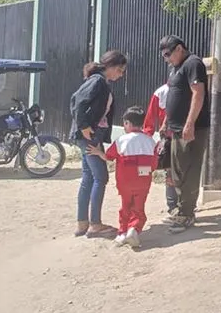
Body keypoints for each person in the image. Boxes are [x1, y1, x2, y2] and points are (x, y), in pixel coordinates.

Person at [69, 50, 127, 238]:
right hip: (90, 135)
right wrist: (84, 126)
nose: (120, 75)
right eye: (119, 70)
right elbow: (77, 102)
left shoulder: (100, 82)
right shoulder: (98, 81)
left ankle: (83, 223)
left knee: (89, 176)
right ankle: (95, 224)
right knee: (101, 177)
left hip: (91, 134)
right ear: (110, 66)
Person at [159, 35, 210, 233]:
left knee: (189, 171)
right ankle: (182, 209)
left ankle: (186, 213)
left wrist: (190, 124)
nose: (166, 59)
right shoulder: (176, 68)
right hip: (176, 129)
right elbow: (175, 96)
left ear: (179, 49)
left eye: (168, 54)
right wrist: (166, 121)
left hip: (192, 129)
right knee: (177, 171)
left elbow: (198, 94)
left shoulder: (193, 63)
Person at [86, 107, 156, 249]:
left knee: (125, 206)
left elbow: (109, 157)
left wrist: (98, 152)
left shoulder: (121, 140)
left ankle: (122, 233)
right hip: (143, 180)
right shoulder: (150, 141)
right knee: (138, 208)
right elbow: (154, 164)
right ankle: (134, 229)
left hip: (125, 181)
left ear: (128, 123)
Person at [144, 83, 178, 215]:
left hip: (186, 135)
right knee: (170, 171)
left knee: (185, 171)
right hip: (169, 138)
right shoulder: (161, 92)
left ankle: (184, 203)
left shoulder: (190, 88)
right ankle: (172, 205)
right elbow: (151, 115)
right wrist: (147, 136)